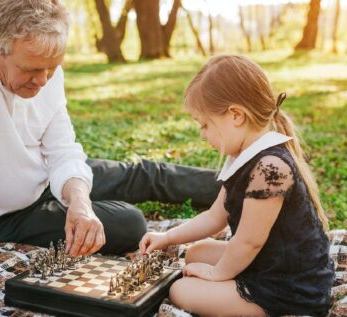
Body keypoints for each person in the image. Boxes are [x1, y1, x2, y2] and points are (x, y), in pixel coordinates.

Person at [0, 0, 219, 306]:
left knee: (143, 173)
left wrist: (79, 202)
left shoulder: (42, 61)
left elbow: (62, 149)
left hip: (47, 177)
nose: (43, 81)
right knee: (129, 222)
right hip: (2, 217)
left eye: (52, 69)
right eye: (31, 70)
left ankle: (237, 184)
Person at [140, 55, 334, 316]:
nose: (203, 134)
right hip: (267, 262)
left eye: (205, 125)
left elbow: (248, 243)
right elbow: (214, 217)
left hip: (288, 286)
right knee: (196, 252)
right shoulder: (242, 156)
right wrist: (167, 237)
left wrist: (216, 273)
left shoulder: (271, 168)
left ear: (236, 115)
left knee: (180, 290)